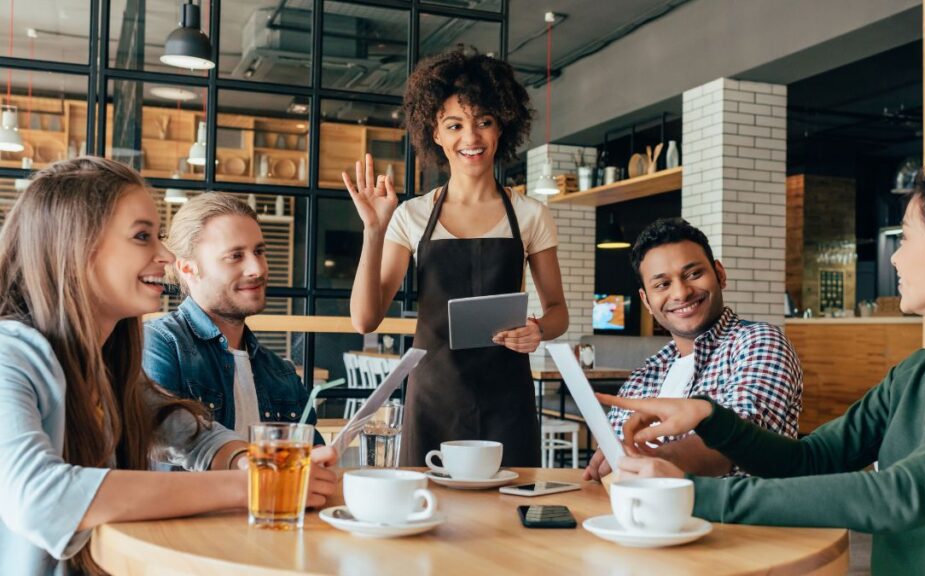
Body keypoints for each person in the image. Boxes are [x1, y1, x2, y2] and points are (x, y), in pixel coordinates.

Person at [598, 154, 925, 574]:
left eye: (906, 238)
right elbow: (810, 459)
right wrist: (710, 417)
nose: (894, 257)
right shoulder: (915, 374)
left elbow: (901, 495)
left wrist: (685, 495)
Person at [0, 158, 337, 575]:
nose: (165, 255)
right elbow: (39, 497)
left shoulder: (106, 360)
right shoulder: (8, 355)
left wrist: (245, 461)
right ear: (76, 247)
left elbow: (186, 431)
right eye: (143, 237)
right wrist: (256, 485)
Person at [347, 47, 569, 467]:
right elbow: (364, 319)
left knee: (508, 517)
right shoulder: (411, 216)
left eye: (484, 122)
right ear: (435, 133)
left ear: (501, 127)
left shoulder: (530, 215)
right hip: (434, 395)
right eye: (455, 125)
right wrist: (374, 231)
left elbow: (559, 311)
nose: (471, 138)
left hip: (508, 396)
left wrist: (538, 328)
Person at [583, 218, 802, 480]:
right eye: (662, 284)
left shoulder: (759, 342)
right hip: (641, 515)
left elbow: (744, 440)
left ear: (719, 274)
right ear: (647, 301)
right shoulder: (646, 375)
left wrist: (653, 461)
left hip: (734, 519)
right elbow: (615, 459)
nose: (681, 292)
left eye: (693, 274)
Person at [144, 193, 324, 444]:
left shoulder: (281, 373)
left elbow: (310, 465)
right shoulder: (160, 344)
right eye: (235, 256)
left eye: (259, 251)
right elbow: (162, 448)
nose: (258, 269)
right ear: (187, 268)